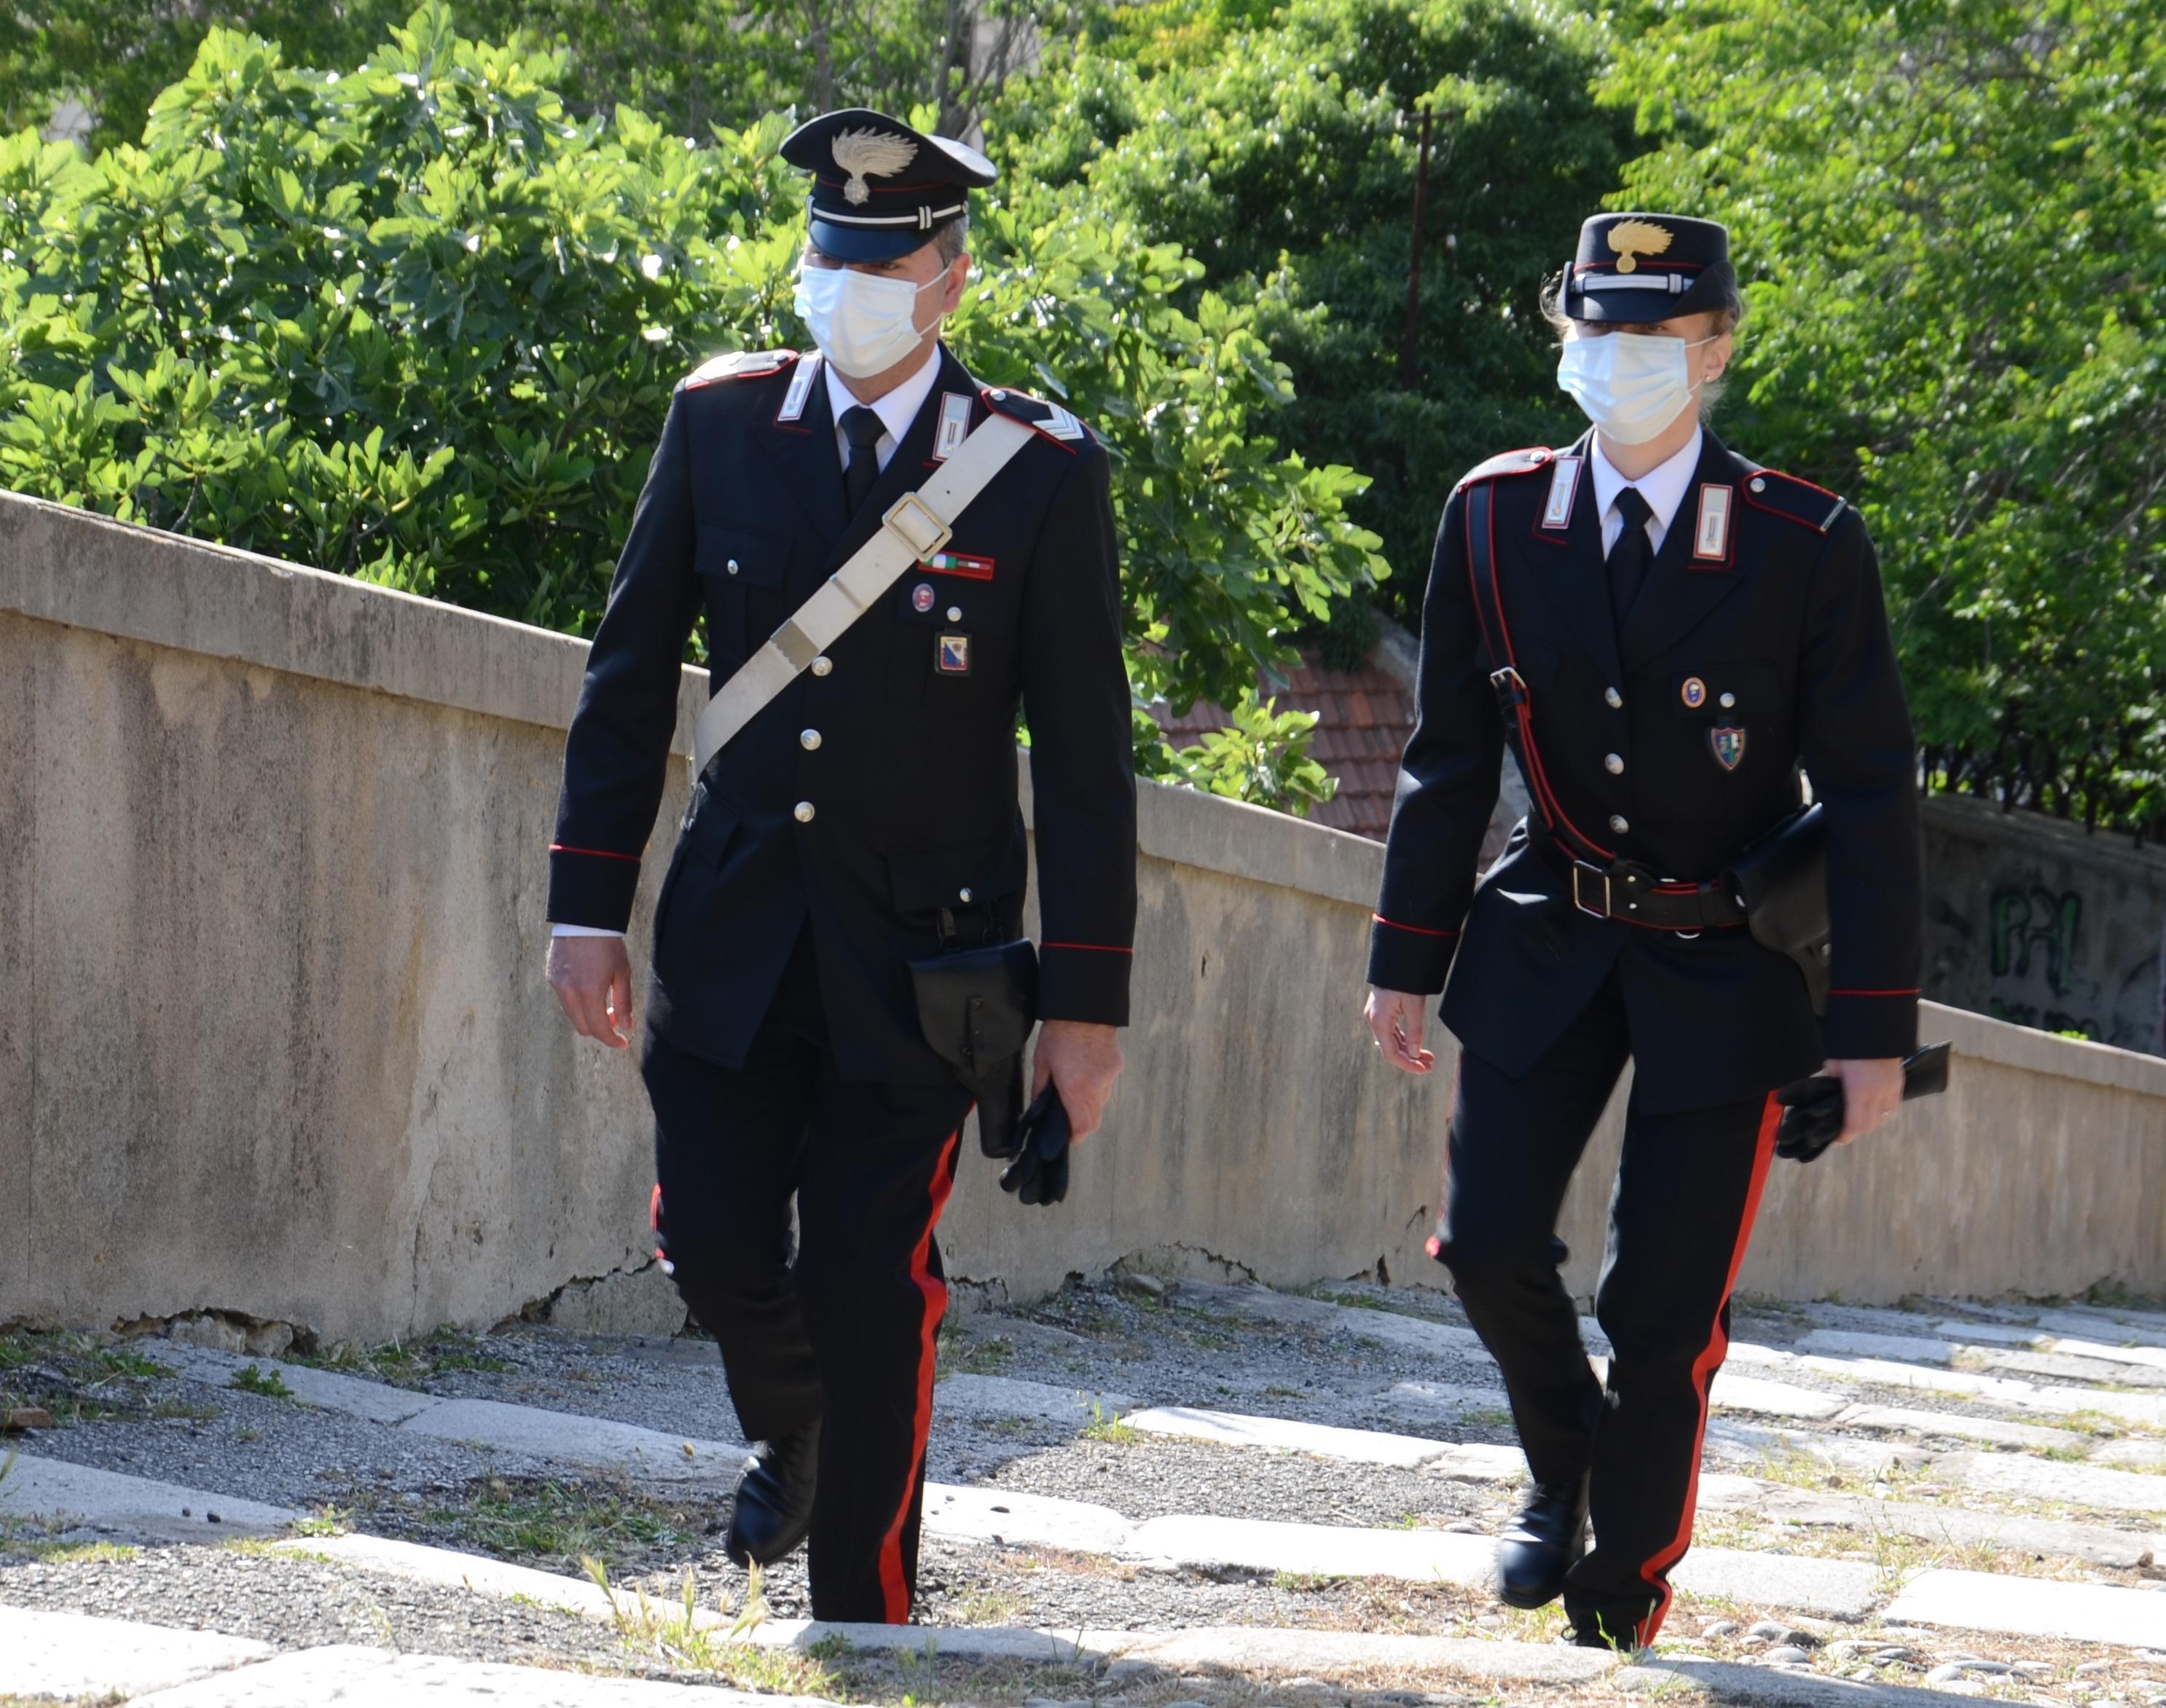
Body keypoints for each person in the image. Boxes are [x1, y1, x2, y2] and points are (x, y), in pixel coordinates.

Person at [543, 106, 1136, 1624]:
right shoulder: (722, 421)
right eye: (829, 255)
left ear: (946, 273)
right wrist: (583, 910)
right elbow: (624, 680)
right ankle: (792, 1423)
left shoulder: (1036, 469)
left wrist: (1084, 1004)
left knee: (872, 1280)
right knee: (713, 1241)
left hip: (920, 964)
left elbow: (1080, 761)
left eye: (883, 260)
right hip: (734, 928)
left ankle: (860, 1613)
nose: (848, 285)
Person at [1362, 213, 1921, 1650]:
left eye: (1654, 336)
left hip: (1725, 971)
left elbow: (1866, 803)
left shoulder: (1801, 545)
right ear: (1563, 341)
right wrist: (1402, 956)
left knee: (1661, 1311)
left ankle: (1621, 1593)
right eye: (1592, 330)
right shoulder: (1492, 517)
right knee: (1483, 1246)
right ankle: (1564, 1470)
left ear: (1714, 349)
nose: (1617, 361)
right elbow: (1443, 756)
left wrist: (1869, 1038)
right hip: (1545, 933)